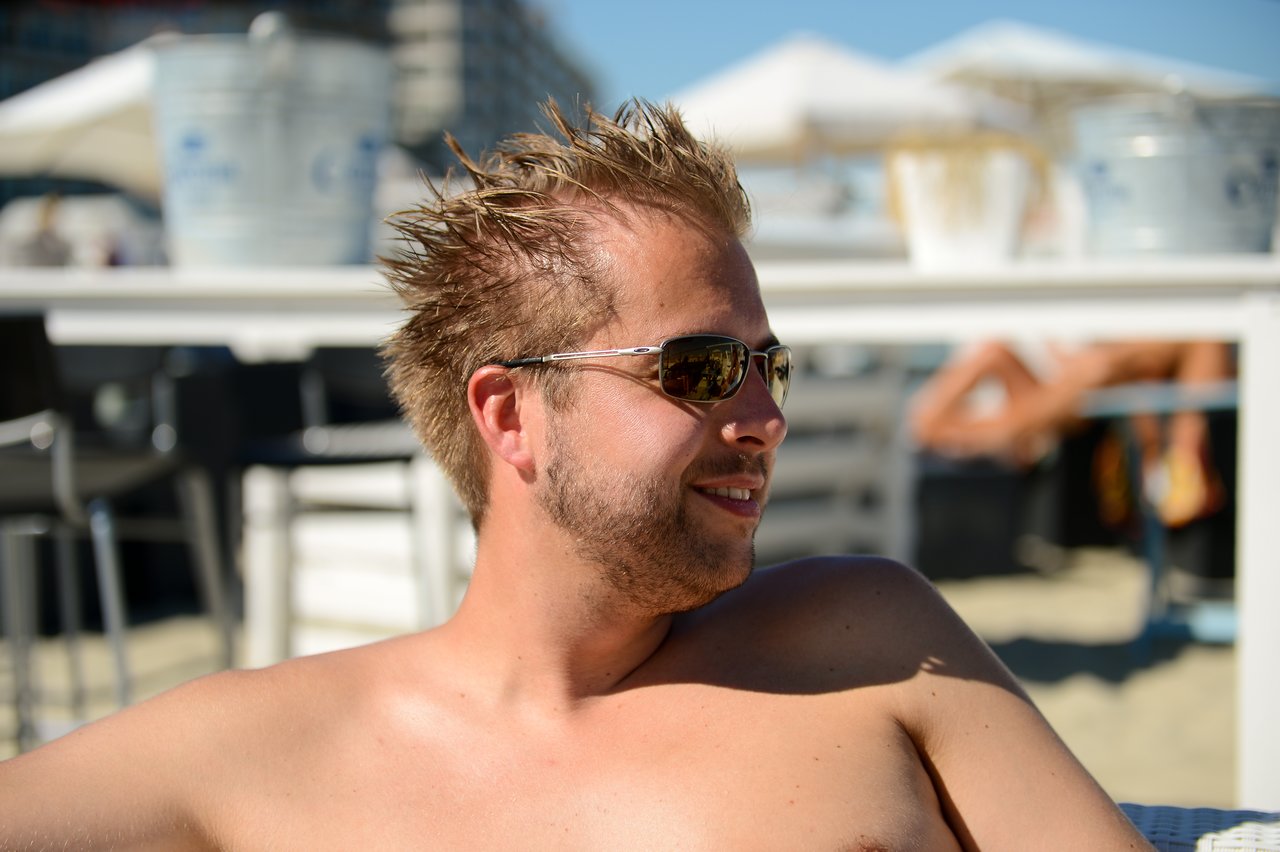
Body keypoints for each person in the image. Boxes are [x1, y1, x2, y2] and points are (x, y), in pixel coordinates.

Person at [0, 100, 1151, 850]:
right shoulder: (256, 752)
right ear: (511, 414)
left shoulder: (875, 642)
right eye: (702, 369)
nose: (762, 419)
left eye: (771, 367)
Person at [909, 338, 1231, 528]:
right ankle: (1178, 460)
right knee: (1107, 364)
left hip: (1035, 413)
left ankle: (1176, 460)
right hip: (1037, 415)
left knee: (1109, 364)